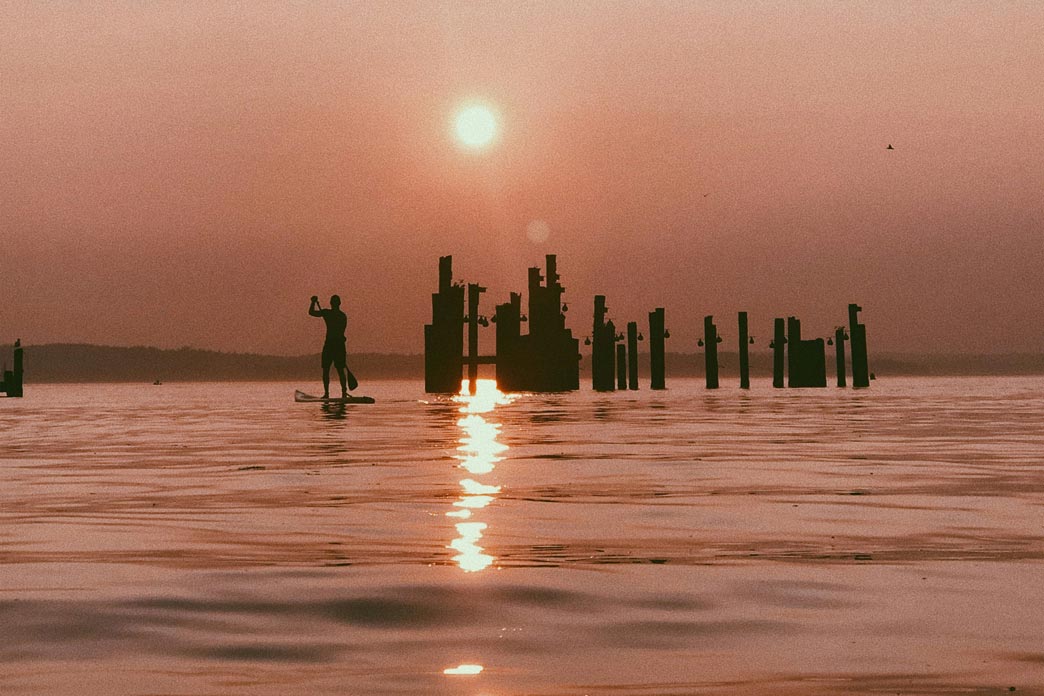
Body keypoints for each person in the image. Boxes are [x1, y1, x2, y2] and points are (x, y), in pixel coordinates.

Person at [309, 294, 358, 399]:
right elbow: (341, 331)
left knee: (327, 370)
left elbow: (311, 312)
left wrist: (313, 302)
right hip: (339, 345)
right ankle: (342, 393)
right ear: (339, 303)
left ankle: (327, 394)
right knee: (338, 369)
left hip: (331, 345)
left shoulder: (328, 313)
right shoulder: (342, 315)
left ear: (331, 303)